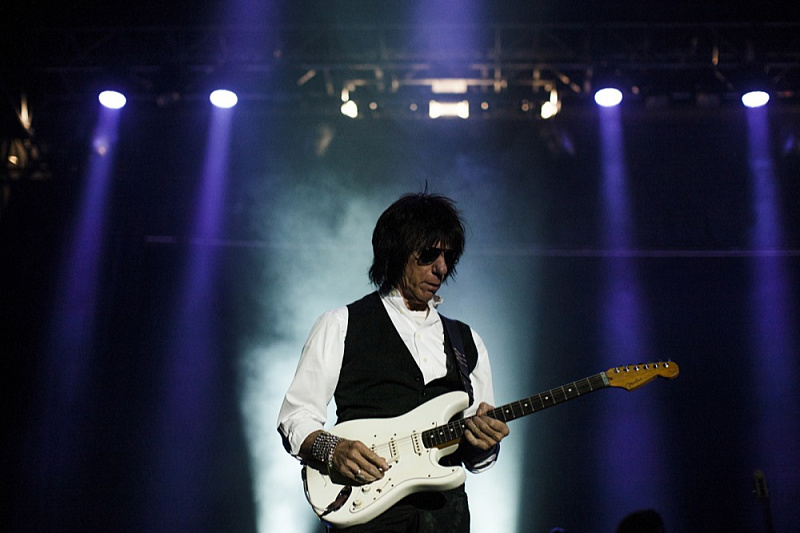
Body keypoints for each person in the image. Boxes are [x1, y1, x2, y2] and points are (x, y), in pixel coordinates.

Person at [277, 192, 509, 532]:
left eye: (448, 257)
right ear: (396, 252)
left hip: (448, 517)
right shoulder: (342, 324)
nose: (441, 268)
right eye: (429, 254)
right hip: (368, 514)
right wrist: (332, 450)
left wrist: (484, 443)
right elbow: (295, 416)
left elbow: (476, 454)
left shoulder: (467, 341)